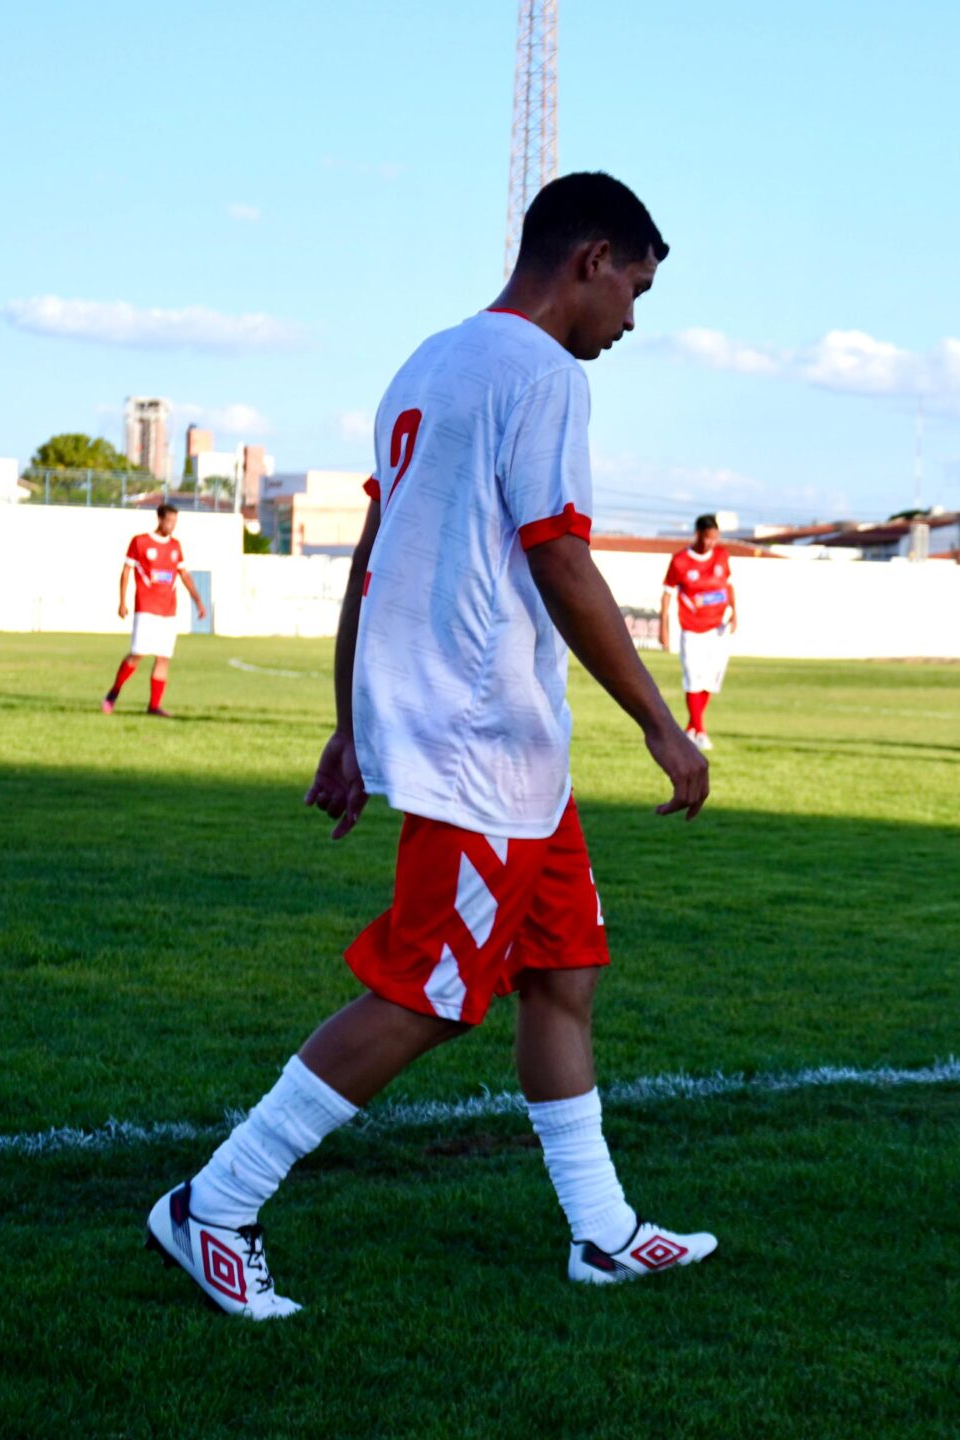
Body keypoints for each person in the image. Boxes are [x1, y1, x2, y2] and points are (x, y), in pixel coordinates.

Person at [144, 173, 716, 1321]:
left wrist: (349, 722)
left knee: (563, 974)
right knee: (430, 989)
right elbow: (560, 559)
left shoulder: (429, 361)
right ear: (592, 259)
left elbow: (372, 553)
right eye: (636, 290)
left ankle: (601, 1232)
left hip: (508, 749)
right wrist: (662, 722)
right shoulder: (541, 373)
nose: (633, 322)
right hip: (474, 738)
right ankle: (215, 1202)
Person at [104, 502, 209, 717]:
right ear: (159, 519)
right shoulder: (140, 542)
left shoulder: (175, 546)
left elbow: (184, 575)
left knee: (163, 658)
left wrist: (197, 600)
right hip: (146, 607)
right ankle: (113, 693)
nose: (172, 525)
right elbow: (126, 571)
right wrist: (122, 602)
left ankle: (154, 706)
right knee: (138, 654)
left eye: (175, 522)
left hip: (168, 611)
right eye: (169, 521)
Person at [659, 513, 736, 751]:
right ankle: (700, 730)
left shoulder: (722, 556)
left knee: (710, 680)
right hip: (691, 629)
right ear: (697, 534)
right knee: (693, 678)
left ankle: (691, 728)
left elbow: (728, 584)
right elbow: (667, 593)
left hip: (718, 628)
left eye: (714, 539)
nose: (709, 544)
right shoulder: (681, 561)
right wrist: (664, 626)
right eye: (706, 538)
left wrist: (735, 612)